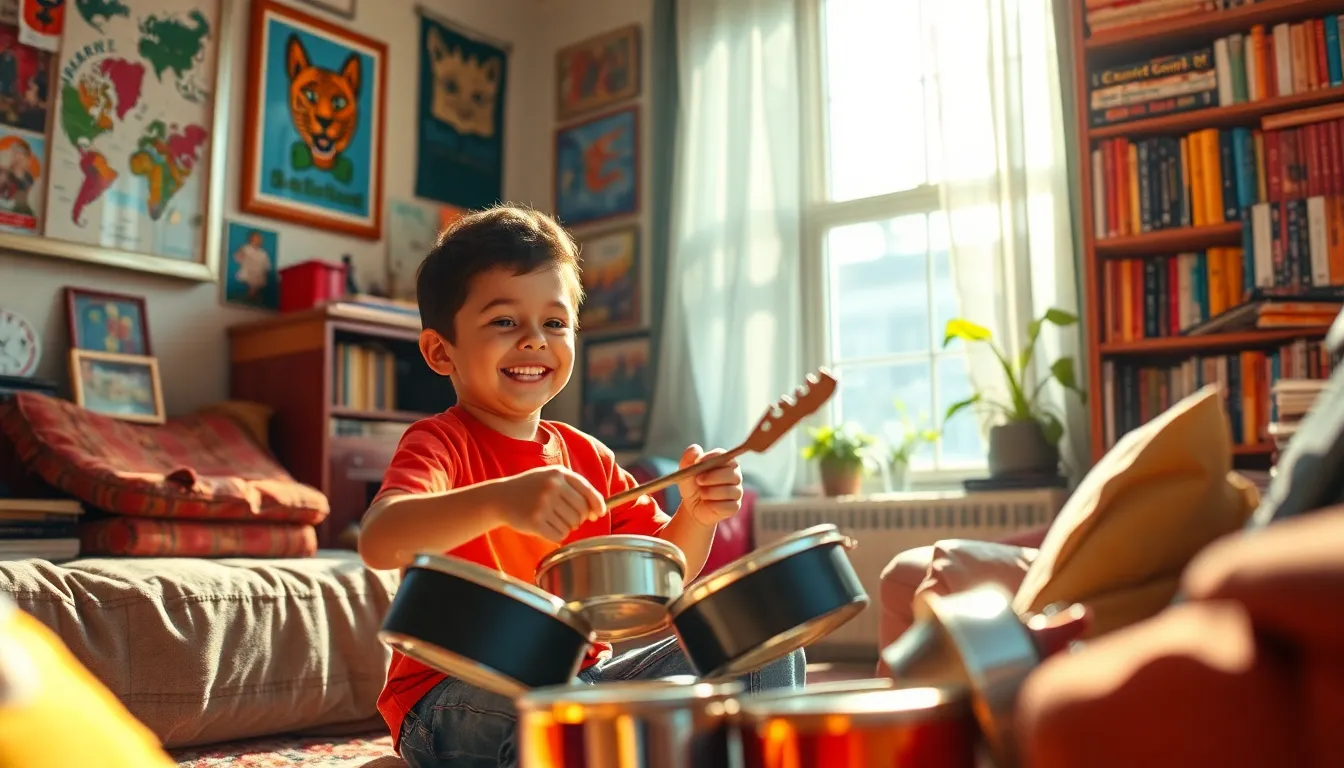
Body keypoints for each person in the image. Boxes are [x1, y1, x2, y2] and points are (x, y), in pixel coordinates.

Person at [357, 205, 805, 768]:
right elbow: (379, 540)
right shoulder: (440, 443)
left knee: (764, 643)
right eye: (503, 322)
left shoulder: (588, 454)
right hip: (451, 694)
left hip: (581, 682)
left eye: (554, 322)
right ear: (440, 350)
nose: (534, 341)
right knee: (564, 714)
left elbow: (664, 578)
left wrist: (697, 513)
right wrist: (500, 500)